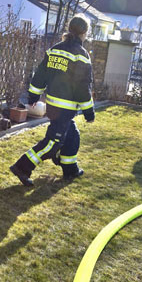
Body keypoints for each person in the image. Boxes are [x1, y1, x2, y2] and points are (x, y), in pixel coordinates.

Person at [9, 14, 95, 187]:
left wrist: (33, 95)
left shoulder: (55, 49)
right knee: (52, 143)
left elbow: (40, 75)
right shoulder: (81, 55)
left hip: (53, 106)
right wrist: (89, 112)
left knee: (72, 135)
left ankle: (70, 169)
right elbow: (82, 88)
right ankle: (22, 167)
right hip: (65, 109)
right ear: (84, 33)